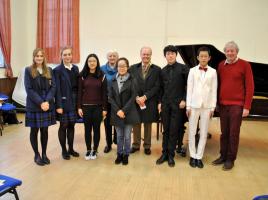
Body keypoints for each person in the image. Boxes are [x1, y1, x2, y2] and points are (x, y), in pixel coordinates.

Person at [212, 41, 254, 170]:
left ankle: (230, 159)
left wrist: (247, 107)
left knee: (233, 134)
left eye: (232, 51)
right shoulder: (221, 65)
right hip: (223, 105)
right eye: (228, 51)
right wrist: (217, 103)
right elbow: (217, 86)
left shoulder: (245, 65)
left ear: (237, 52)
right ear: (225, 52)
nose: (230, 53)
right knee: (224, 133)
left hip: (237, 105)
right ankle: (223, 156)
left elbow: (250, 87)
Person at [156, 45, 189, 167]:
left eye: (172, 53)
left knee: (174, 130)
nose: (170, 55)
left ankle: (171, 155)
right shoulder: (162, 71)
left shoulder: (183, 68)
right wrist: (159, 102)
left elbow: (188, 86)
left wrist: (184, 99)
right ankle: (164, 153)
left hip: (178, 105)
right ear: (165, 56)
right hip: (165, 104)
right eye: (168, 54)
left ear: (176, 55)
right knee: (166, 130)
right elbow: (160, 89)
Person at [186, 46, 217, 168]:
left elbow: (214, 91)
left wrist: (212, 108)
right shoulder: (192, 70)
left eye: (206, 56)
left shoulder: (213, 72)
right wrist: (188, 106)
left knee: (203, 133)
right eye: (201, 56)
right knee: (192, 131)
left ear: (209, 58)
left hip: (207, 106)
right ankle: (192, 156)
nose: (203, 58)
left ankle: (199, 156)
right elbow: (189, 89)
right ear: (198, 57)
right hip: (193, 105)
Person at [24, 48, 56, 166]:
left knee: (45, 130)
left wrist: (47, 101)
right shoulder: (28, 70)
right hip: (34, 105)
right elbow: (29, 89)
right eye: (37, 56)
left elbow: (53, 87)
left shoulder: (49, 70)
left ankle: (44, 154)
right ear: (33, 57)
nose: (39, 58)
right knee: (34, 130)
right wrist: (40, 102)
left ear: (44, 57)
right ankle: (36, 154)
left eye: (41, 56)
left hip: (47, 104)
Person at [129, 47, 161, 155]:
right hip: (136, 101)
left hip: (149, 101)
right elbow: (130, 84)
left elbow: (157, 86)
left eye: (148, 54)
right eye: (144, 54)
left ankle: (147, 145)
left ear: (151, 55)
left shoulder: (157, 69)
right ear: (140, 55)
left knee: (148, 124)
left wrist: (145, 97)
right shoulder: (133, 68)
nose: (146, 56)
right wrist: (137, 97)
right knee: (136, 123)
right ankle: (136, 145)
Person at [109, 57, 140, 165]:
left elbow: (133, 97)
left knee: (127, 136)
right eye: (119, 66)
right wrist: (118, 111)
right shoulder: (112, 80)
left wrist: (123, 110)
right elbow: (110, 97)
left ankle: (126, 154)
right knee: (119, 136)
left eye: (124, 66)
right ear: (116, 67)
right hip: (116, 113)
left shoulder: (133, 80)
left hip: (129, 112)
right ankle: (119, 154)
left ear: (127, 67)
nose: (121, 68)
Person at [77, 54, 108, 160]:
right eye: (90, 61)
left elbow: (105, 93)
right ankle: (88, 150)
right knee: (87, 130)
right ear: (87, 62)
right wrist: (79, 107)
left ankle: (95, 150)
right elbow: (79, 92)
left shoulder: (102, 75)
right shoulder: (82, 75)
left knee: (96, 130)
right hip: (85, 107)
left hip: (98, 107)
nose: (92, 63)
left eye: (94, 61)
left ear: (97, 62)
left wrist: (105, 109)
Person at [53, 46, 80, 160]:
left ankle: (71, 149)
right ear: (61, 56)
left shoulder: (75, 68)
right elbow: (57, 89)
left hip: (74, 102)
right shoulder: (57, 70)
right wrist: (58, 105)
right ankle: (64, 150)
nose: (67, 56)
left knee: (72, 125)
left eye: (69, 54)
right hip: (63, 102)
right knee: (63, 126)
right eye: (65, 54)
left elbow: (78, 87)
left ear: (72, 55)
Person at [100, 50, 119, 153]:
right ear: (107, 57)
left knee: (117, 121)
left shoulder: (120, 67)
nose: (112, 57)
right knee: (107, 123)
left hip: (118, 101)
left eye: (114, 56)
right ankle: (108, 144)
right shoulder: (101, 69)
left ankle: (117, 140)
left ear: (117, 57)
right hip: (106, 100)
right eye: (110, 56)